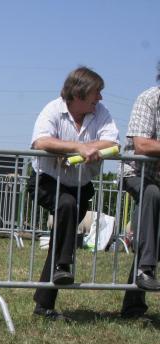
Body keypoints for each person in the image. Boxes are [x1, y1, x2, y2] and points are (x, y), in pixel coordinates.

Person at [29, 66, 119, 321]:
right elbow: (41, 142)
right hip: (46, 182)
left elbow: (113, 142)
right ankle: (64, 265)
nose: (99, 98)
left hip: (80, 186)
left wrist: (83, 149)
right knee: (66, 205)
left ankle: (44, 305)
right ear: (79, 93)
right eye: (96, 92)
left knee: (61, 234)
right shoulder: (52, 109)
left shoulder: (101, 113)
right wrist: (78, 147)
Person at [121, 63, 160, 319]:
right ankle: (146, 268)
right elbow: (142, 144)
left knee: (153, 237)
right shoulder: (149, 99)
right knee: (153, 194)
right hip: (139, 174)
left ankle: (133, 305)